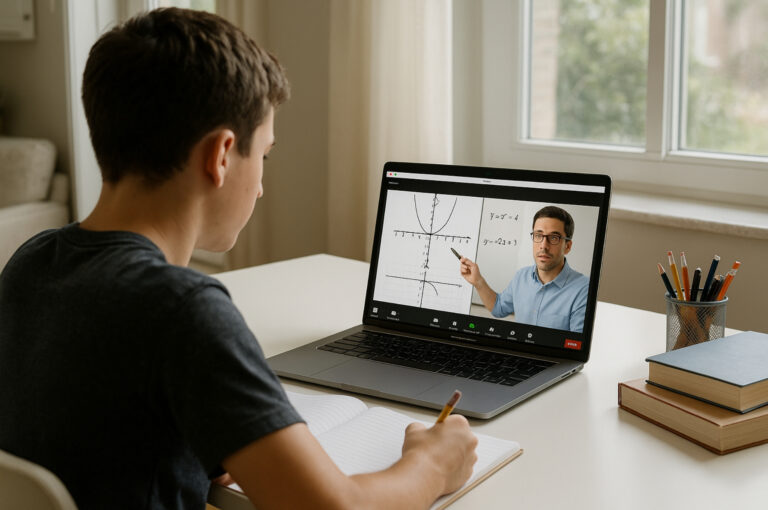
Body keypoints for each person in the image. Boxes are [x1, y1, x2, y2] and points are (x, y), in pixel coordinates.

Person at [0, 8, 477, 510]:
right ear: (221, 155)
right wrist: (432, 464)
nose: (263, 186)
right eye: (264, 156)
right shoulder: (182, 309)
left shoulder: (31, 261)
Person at [460, 205, 589, 332]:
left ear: (567, 246)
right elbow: (498, 308)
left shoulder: (583, 289)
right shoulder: (521, 276)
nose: (543, 246)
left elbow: (576, 345)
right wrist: (478, 282)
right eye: (538, 235)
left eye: (554, 238)